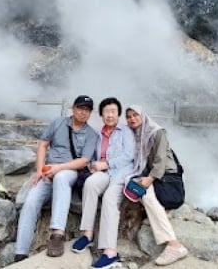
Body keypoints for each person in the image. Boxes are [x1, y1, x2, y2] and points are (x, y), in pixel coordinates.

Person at [14, 95, 99, 262]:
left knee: (61, 177)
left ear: (90, 113)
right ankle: (21, 252)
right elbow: (43, 144)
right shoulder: (58, 123)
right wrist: (39, 170)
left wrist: (58, 168)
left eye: (87, 110)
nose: (83, 112)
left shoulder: (91, 134)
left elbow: (84, 160)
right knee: (31, 201)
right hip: (47, 171)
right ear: (73, 109)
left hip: (69, 171)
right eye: (80, 108)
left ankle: (57, 234)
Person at [71, 97, 135, 269]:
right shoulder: (99, 134)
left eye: (113, 111)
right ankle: (87, 234)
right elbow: (94, 157)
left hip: (121, 173)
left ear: (119, 114)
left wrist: (106, 163)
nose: (110, 115)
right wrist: (93, 165)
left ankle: (111, 252)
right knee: (90, 184)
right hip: (103, 172)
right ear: (101, 115)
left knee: (109, 199)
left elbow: (129, 156)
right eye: (106, 112)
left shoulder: (126, 132)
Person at [124, 105, 189, 266]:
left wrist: (149, 179)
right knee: (135, 187)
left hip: (165, 174)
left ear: (143, 116)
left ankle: (174, 245)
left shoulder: (156, 132)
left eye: (135, 115)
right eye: (128, 116)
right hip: (152, 174)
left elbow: (160, 160)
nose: (132, 119)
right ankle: (162, 212)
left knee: (144, 193)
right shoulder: (136, 135)